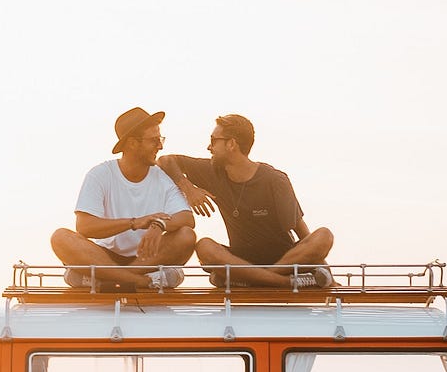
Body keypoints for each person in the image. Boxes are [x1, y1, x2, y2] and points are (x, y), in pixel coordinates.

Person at [158, 114, 334, 289]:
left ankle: (253, 279)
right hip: (241, 260)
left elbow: (301, 230)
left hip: (284, 260)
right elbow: (166, 160)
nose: (209, 147)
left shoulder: (275, 180)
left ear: (231, 144)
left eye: (213, 140)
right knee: (204, 246)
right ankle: (283, 283)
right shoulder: (213, 171)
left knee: (324, 236)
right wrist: (189, 189)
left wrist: (324, 267)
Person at [50, 107, 197, 290]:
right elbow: (85, 227)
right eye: (154, 140)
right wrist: (134, 223)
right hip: (104, 256)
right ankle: (140, 280)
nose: (160, 146)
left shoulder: (162, 178)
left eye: (160, 140)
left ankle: (110, 278)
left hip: (148, 258)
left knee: (186, 236)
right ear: (132, 144)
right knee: (60, 237)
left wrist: (159, 224)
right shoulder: (100, 175)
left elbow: (187, 218)